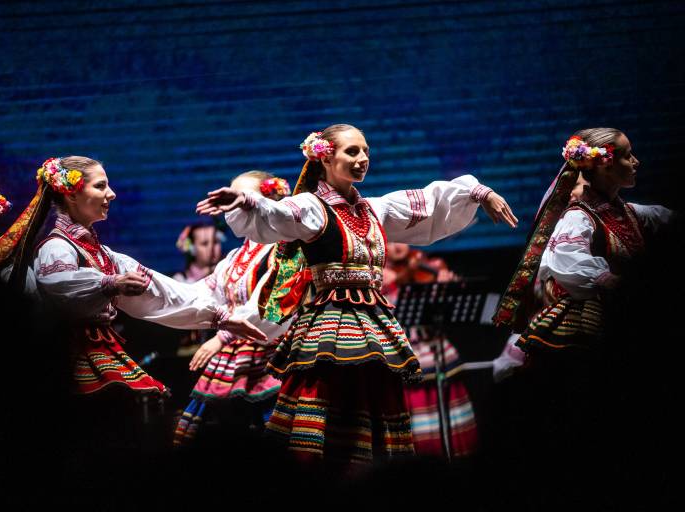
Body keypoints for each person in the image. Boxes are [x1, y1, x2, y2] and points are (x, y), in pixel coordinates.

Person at [196, 124, 517, 467]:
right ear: (325, 158)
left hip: (374, 326)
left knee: (376, 411)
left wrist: (478, 192)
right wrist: (248, 200)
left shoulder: (374, 209)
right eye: (352, 151)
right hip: (331, 328)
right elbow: (279, 213)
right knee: (326, 414)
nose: (363, 158)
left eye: (365, 151)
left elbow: (427, 202)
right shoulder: (312, 207)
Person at [491, 128, 674, 506]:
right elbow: (568, 264)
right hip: (584, 329)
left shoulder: (627, 212)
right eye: (627, 155)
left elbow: (664, 217)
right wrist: (616, 283)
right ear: (603, 165)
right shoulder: (578, 218)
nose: (635, 161)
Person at [30, 156, 266, 400]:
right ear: (71, 195)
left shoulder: (105, 255)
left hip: (99, 347)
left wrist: (220, 318)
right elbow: (59, 284)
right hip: (66, 353)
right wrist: (111, 283)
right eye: (100, 186)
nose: (111, 194)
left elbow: (160, 291)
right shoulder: (56, 247)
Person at [174, 171, 292, 445]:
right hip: (234, 355)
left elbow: (273, 304)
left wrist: (223, 336)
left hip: (274, 352)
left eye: (238, 198)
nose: (230, 205)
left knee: (274, 432)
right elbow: (200, 293)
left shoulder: (287, 249)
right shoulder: (235, 257)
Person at [383, 243, 479, 458]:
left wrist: (448, 289)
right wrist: (403, 276)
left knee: (451, 424)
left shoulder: (430, 265)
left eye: (402, 239)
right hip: (405, 357)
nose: (397, 246)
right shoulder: (378, 273)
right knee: (419, 432)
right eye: (392, 239)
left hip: (437, 353)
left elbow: (442, 312)